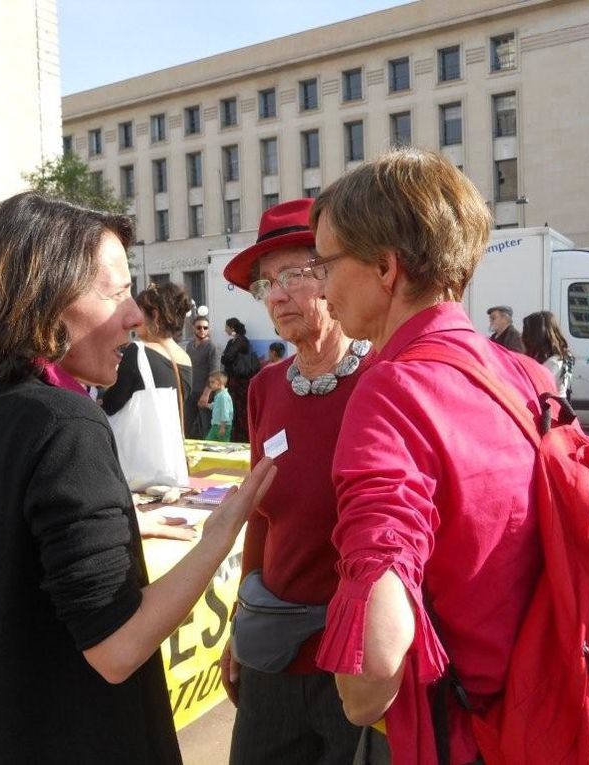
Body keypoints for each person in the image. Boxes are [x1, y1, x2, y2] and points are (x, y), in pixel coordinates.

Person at [0, 191, 275, 762]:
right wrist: (221, 534)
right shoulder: (65, 425)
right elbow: (117, 648)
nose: (136, 315)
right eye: (116, 293)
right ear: (46, 300)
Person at [308, 148, 555, 764]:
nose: (320, 285)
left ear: (386, 269)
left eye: (325, 263)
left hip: (454, 730)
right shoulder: (523, 375)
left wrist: (357, 695)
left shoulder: (394, 387)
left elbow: (375, 662)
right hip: (542, 708)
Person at [219, 197, 368, 765]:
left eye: (293, 276)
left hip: (355, 660)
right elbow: (260, 513)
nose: (276, 296)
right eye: (265, 284)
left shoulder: (385, 381)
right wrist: (240, 620)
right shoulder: (265, 387)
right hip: (274, 651)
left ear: (332, 273)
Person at [100, 280, 193, 427]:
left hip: (137, 445)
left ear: (155, 315)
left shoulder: (138, 351)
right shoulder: (185, 358)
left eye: (138, 311)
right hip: (167, 443)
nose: (134, 320)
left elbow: (111, 405)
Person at [220, 317, 259, 442]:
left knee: (241, 409)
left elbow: (227, 357)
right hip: (233, 380)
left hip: (240, 381)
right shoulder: (233, 341)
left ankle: (244, 437)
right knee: (234, 409)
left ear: (232, 328)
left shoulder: (241, 340)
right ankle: (236, 436)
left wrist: (225, 356)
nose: (225, 329)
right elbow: (225, 358)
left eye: (226, 327)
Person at [521, 310, 573, 398]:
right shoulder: (564, 355)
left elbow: (536, 388)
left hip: (549, 406)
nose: (523, 336)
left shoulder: (552, 362)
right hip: (559, 403)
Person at [185, 314, 219, 439]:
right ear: (193, 328)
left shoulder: (212, 347)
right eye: (199, 327)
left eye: (205, 328)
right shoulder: (189, 346)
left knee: (207, 429)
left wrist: (206, 395)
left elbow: (214, 373)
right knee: (186, 426)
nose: (202, 330)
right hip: (190, 392)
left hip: (205, 393)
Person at [205, 371, 233, 441]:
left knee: (223, 445)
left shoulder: (224, 396)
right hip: (216, 424)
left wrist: (223, 427)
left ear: (220, 383)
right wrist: (208, 405)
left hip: (222, 426)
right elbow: (217, 405)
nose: (210, 384)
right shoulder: (219, 395)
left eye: (212, 382)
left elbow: (225, 412)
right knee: (208, 442)